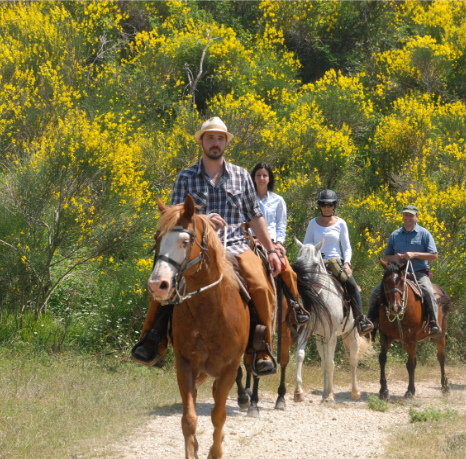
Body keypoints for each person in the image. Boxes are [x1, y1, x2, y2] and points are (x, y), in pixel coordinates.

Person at [131, 117, 282, 374]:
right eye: (210, 138)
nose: (216, 143)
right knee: (162, 282)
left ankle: (261, 348)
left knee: (259, 283)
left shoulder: (242, 176)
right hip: (196, 248)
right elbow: (175, 216)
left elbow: (255, 216)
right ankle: (152, 338)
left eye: (220, 138)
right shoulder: (186, 177)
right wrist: (203, 220)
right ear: (201, 141)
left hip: (234, 245)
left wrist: (270, 250)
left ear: (226, 143)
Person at [303, 189, 374, 335]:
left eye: (330, 204)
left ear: (334, 205)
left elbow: (347, 246)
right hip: (317, 262)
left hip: (336, 262)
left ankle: (361, 320)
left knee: (353, 286)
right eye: (324, 204)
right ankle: (299, 318)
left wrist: (347, 263)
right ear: (320, 206)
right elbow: (306, 245)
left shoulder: (340, 223)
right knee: (300, 285)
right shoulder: (313, 223)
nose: (327, 207)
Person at [250, 163, 309, 326]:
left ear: (269, 178)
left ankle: (297, 307)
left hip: (271, 243)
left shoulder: (278, 201)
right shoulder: (246, 198)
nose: (261, 178)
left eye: (264, 175)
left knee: (289, 271)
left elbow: (281, 224)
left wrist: (279, 243)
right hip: (251, 240)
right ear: (253, 178)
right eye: (258, 175)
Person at [367, 205, 440, 335]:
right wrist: (394, 257)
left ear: (416, 217)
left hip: (418, 272)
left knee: (428, 292)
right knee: (375, 293)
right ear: (403, 216)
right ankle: (370, 322)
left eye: (411, 215)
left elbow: (434, 255)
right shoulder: (395, 235)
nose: (408, 218)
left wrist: (415, 254)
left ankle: (433, 322)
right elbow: (387, 256)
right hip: (397, 274)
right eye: (406, 215)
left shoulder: (424, 234)